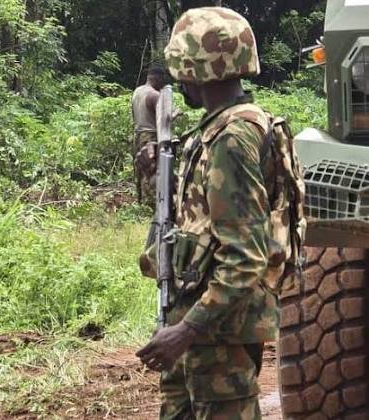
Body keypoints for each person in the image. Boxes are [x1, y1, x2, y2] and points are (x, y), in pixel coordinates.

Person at [136, 7, 278, 419]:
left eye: (182, 68)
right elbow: (196, 219)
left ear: (198, 68)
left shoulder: (233, 137)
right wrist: (160, 170)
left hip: (218, 334)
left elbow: (245, 255)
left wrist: (187, 329)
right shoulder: (215, 129)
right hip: (199, 326)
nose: (179, 80)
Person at [131, 66, 166, 209]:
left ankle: (140, 202)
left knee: (140, 168)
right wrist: (175, 114)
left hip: (138, 134)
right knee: (150, 170)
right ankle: (150, 204)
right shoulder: (154, 95)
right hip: (150, 135)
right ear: (158, 78)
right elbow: (163, 120)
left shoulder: (137, 91)